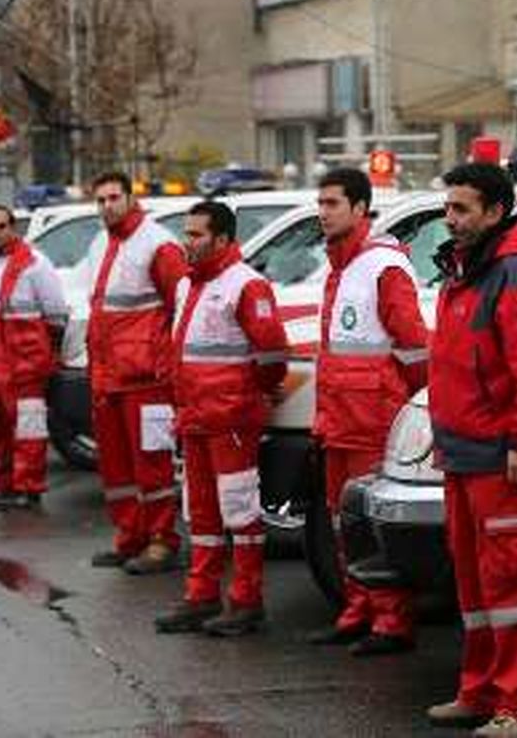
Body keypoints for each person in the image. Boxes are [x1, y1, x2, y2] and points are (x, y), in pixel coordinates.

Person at [426, 163, 517, 738]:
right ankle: (481, 690)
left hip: (501, 455)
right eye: (449, 208)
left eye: (462, 210)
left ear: (495, 211)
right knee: (477, 586)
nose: (450, 219)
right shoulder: (468, 271)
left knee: (513, 586)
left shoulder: (515, 272)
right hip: (464, 453)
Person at [306, 167, 429, 656]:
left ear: (359, 209)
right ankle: (357, 610)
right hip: (341, 420)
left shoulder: (381, 267)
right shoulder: (339, 266)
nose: (322, 211)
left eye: (332, 203)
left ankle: (392, 622)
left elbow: (414, 346)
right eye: (320, 202)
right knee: (343, 522)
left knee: (370, 525)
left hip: (373, 419)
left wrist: (413, 408)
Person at [154, 200, 287, 637]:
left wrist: (254, 391)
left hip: (230, 418)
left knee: (239, 509)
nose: (185, 242)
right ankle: (201, 594)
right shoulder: (187, 285)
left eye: (195, 235)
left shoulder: (246, 285)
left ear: (223, 239)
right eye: (185, 233)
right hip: (195, 417)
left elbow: (271, 352)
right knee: (201, 512)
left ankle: (247, 600)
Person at [85, 171, 186, 574]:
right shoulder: (102, 243)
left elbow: (180, 304)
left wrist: (165, 364)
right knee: (117, 468)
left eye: (114, 198)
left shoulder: (156, 243)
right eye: (101, 200)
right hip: (110, 377)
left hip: (147, 379)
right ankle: (131, 537)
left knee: (152, 465)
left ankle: (162, 541)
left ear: (130, 198)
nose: (107, 205)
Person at [0, 204, 68, 510]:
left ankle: (29, 486)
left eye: (0, 226)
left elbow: (56, 313)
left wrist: (45, 356)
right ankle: (4, 482)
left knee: (28, 426)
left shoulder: (35, 263)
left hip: (24, 361)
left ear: (13, 228)